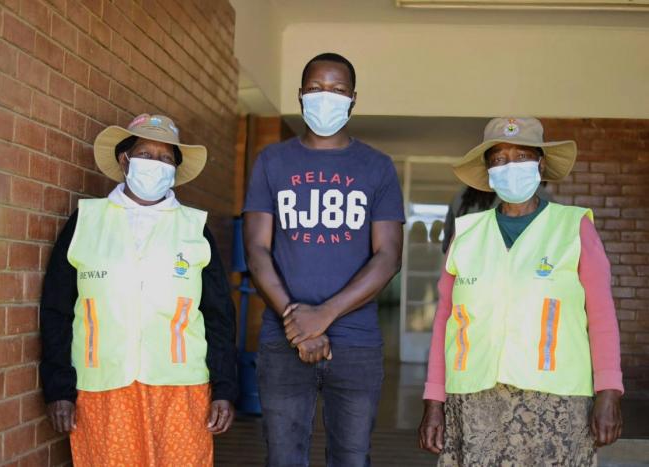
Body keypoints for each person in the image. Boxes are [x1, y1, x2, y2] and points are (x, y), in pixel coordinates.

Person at [418, 117, 623, 466]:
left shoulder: (574, 227)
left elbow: (601, 316)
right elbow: (446, 322)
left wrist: (609, 391)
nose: (510, 166)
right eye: (499, 159)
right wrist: (433, 401)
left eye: (522, 156)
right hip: (473, 400)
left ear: (540, 164)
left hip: (557, 402)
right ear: (488, 171)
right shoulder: (467, 234)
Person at [39, 113, 238, 466]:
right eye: (146, 154)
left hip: (181, 388)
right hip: (103, 387)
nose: (155, 165)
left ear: (175, 170)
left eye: (165, 159)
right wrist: (58, 388)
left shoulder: (194, 228)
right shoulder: (87, 221)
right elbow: (56, 310)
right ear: (124, 160)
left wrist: (224, 388)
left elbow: (219, 315)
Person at [243, 53, 404, 466]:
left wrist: (324, 315)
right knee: (283, 457)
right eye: (315, 88)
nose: (325, 97)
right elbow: (257, 249)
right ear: (300, 95)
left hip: (356, 341)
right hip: (284, 338)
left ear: (353, 98)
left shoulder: (377, 167)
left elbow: (388, 256)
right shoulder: (272, 161)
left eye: (336, 90)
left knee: (351, 458)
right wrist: (297, 322)